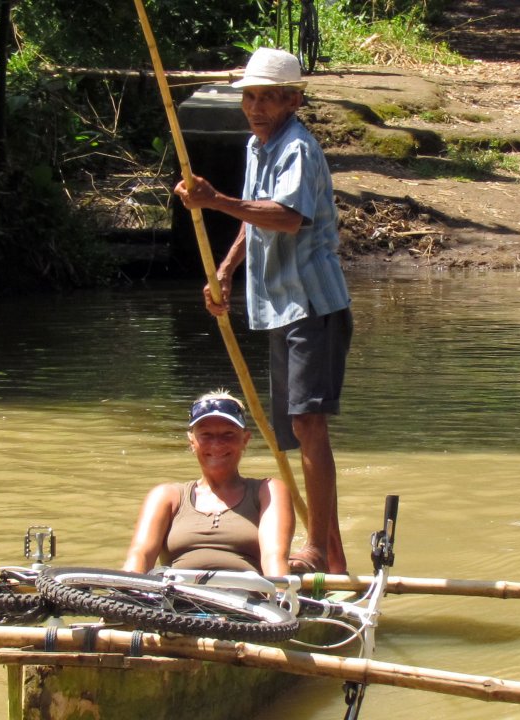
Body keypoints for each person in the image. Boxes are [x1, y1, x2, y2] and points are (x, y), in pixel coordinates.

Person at [173, 47, 352, 575]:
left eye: (268, 98)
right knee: (292, 430)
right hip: (279, 307)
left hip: (312, 304)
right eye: (249, 97)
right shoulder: (257, 147)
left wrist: (213, 200)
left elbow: (287, 217)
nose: (255, 107)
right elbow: (254, 221)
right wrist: (226, 270)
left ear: (293, 101)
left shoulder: (297, 147)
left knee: (307, 422)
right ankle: (334, 557)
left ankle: (318, 549)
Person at [123, 391, 295, 577]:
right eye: (206, 434)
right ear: (192, 440)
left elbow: (274, 557)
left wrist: (280, 598)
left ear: (245, 439)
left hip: (245, 600)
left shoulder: (268, 491)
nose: (217, 444)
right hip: (176, 598)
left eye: (228, 434)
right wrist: (124, 594)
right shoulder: (166, 496)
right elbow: (140, 554)